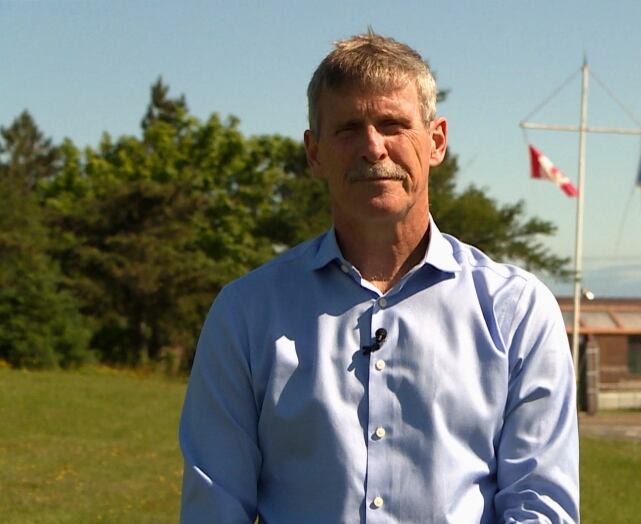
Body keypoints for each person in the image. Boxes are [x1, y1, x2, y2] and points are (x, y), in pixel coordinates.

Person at [179, 31, 579, 523]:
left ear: (436, 142)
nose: (373, 147)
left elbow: (539, 506)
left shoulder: (516, 310)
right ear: (314, 153)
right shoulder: (246, 312)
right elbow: (215, 507)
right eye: (348, 128)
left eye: (393, 124)